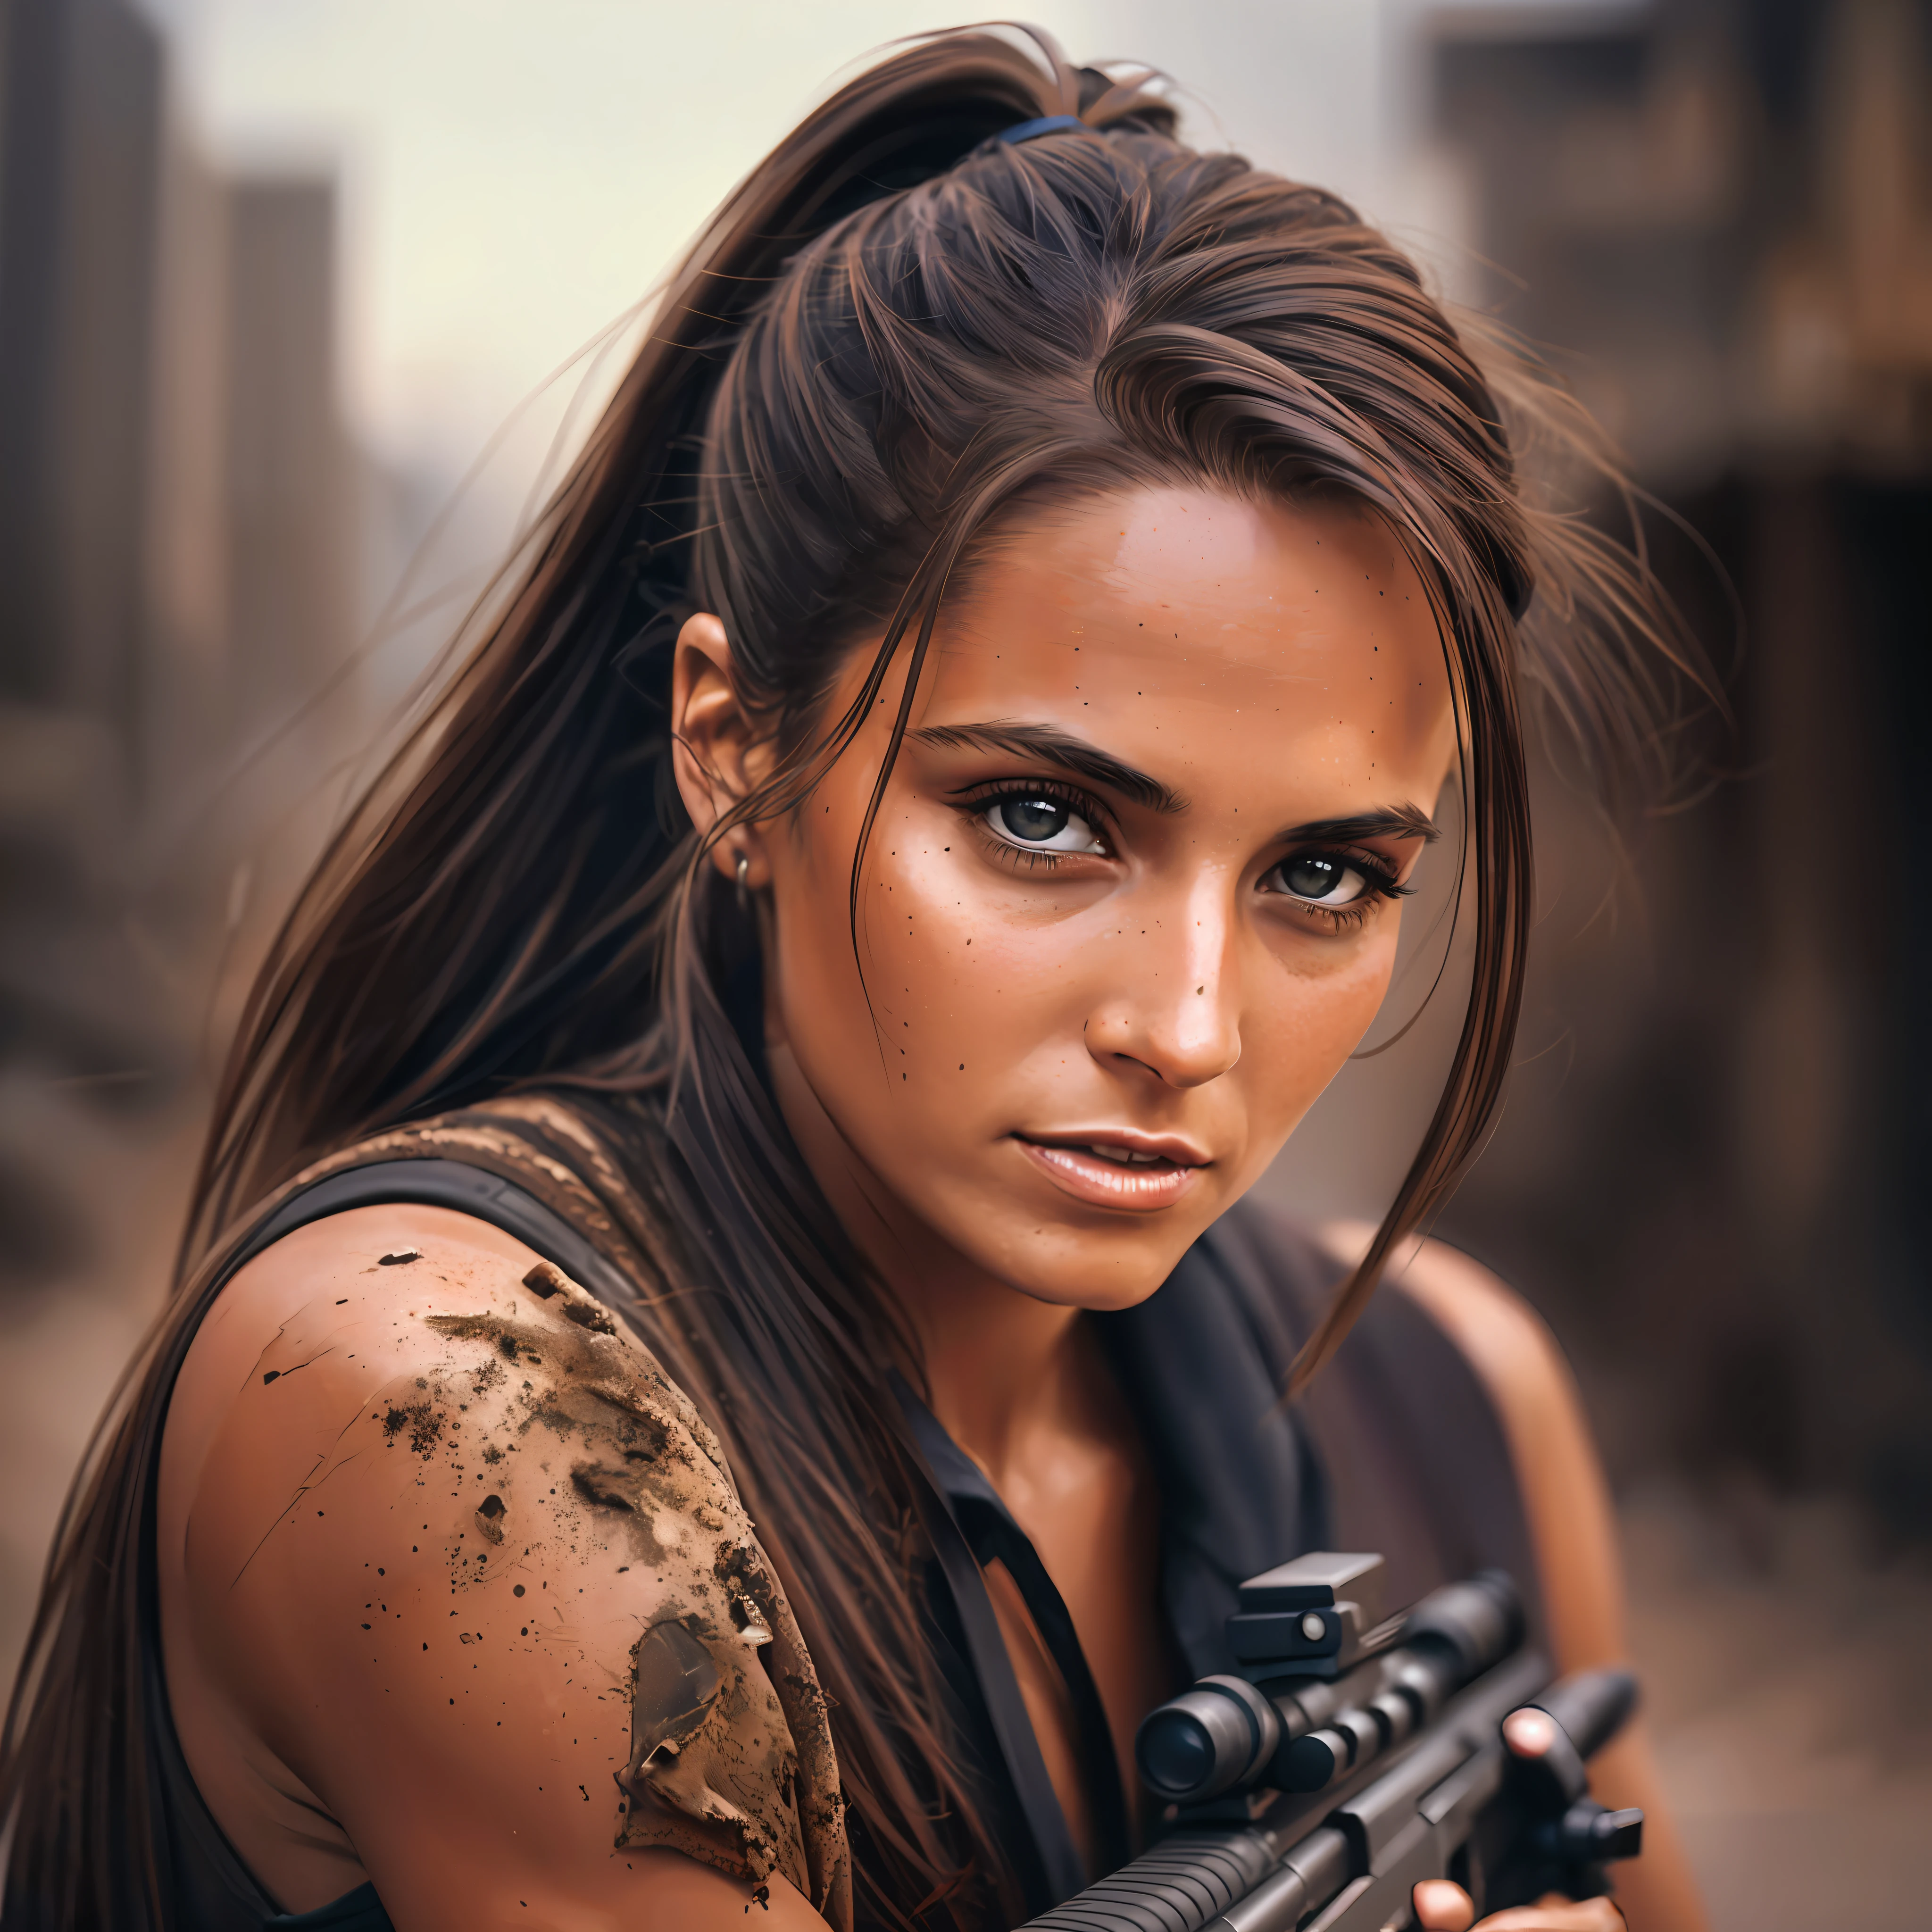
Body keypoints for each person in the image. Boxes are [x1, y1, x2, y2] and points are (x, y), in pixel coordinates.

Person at [0, 28, 1713, 1932]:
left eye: (1323, 873)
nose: (1189, 1026)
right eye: (1046, 820)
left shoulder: (1454, 1388)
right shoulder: (450, 1424)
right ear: (734, 747)